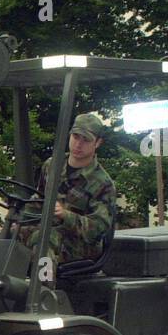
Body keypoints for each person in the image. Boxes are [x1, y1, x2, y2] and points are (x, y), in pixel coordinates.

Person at [18, 112, 116, 264]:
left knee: (44, 241)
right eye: (76, 137)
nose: (78, 144)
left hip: (81, 245)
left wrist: (65, 215)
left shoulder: (102, 183)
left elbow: (98, 229)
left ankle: (44, 285)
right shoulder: (52, 166)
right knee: (6, 236)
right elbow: (39, 200)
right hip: (48, 230)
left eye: (86, 140)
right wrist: (17, 216)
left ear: (97, 143)